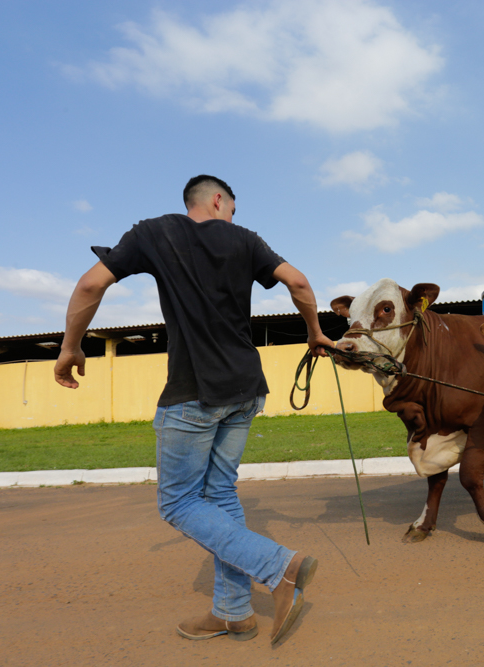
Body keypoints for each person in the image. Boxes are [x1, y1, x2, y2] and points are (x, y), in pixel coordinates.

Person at [54, 175, 333, 646]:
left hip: (193, 393)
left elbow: (89, 287)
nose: (233, 218)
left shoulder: (154, 232)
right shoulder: (246, 240)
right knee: (220, 497)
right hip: (246, 389)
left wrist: (70, 347)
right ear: (219, 200)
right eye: (233, 209)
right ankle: (233, 613)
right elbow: (299, 281)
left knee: (179, 503)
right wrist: (314, 331)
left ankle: (279, 567)